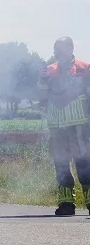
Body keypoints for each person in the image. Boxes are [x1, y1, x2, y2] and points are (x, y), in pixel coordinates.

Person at [38, 37, 90, 216]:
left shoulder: (84, 68)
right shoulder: (49, 70)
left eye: (61, 48)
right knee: (60, 163)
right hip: (56, 124)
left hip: (79, 123)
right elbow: (40, 95)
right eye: (55, 48)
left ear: (71, 48)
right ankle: (66, 204)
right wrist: (42, 80)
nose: (57, 51)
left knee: (83, 163)